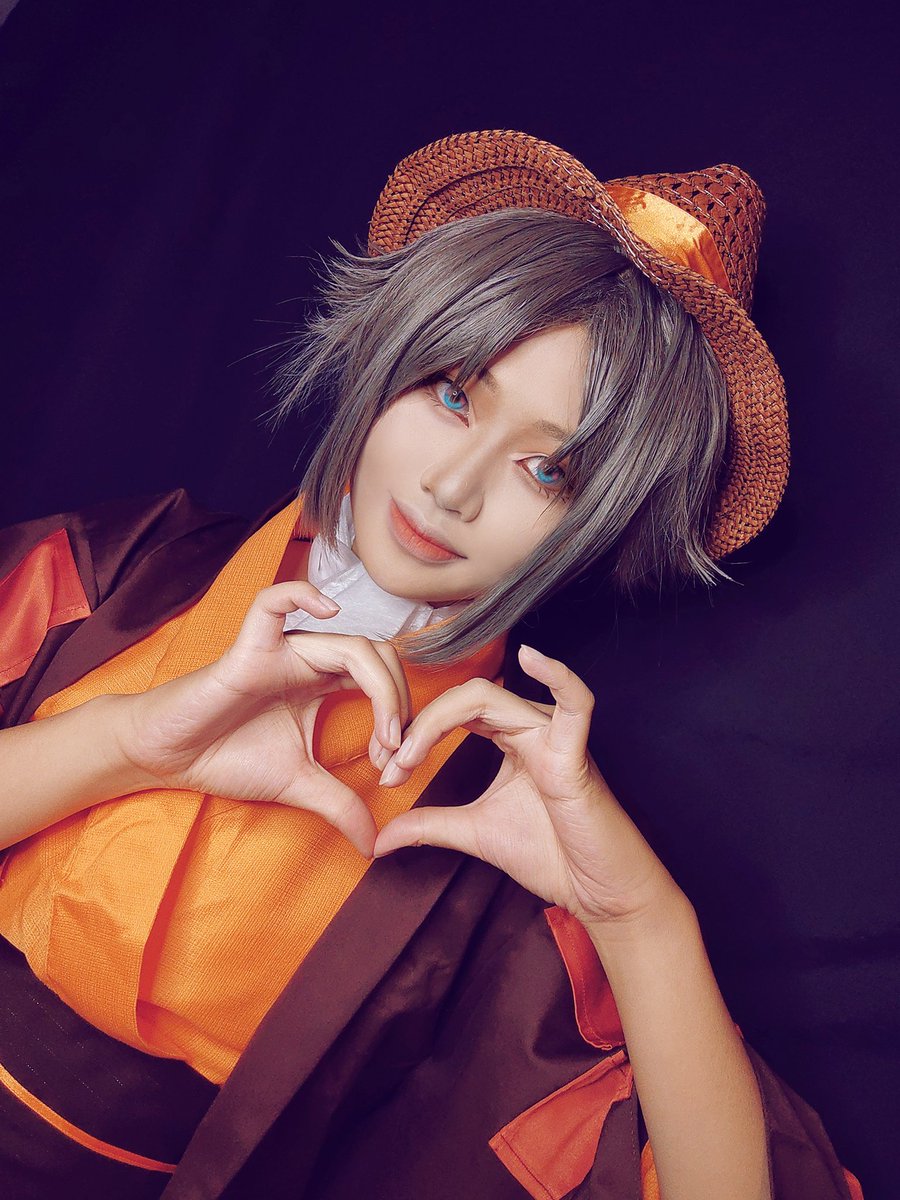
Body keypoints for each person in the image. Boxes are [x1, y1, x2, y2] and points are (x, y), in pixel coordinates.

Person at [0, 130, 863, 1200]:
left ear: (599, 526)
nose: (454, 488)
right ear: (388, 358)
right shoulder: (117, 571)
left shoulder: (499, 830)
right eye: (454, 393)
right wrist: (132, 741)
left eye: (548, 471)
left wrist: (642, 922)